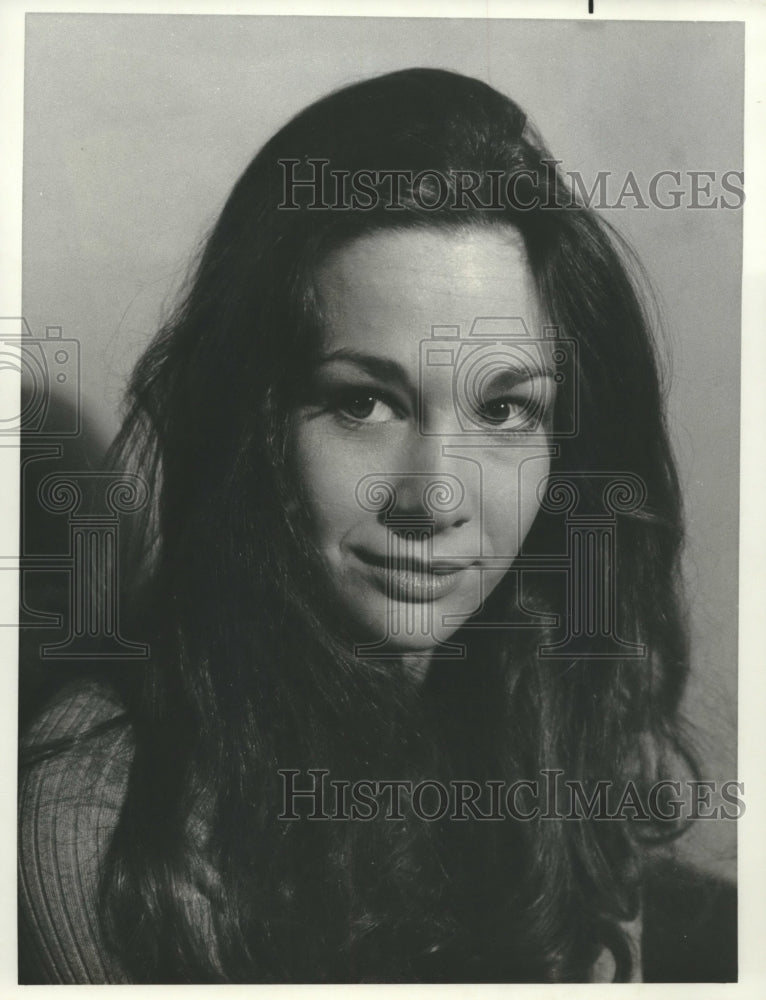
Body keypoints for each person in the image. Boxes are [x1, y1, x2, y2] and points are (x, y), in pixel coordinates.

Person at [18, 67, 735, 984]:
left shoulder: (558, 700)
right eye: (363, 403)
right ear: (255, 429)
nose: (434, 498)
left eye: (506, 411)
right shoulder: (106, 814)